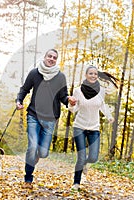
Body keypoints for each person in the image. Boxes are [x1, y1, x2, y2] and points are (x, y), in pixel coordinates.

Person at [16, 49, 76, 189]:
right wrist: (19, 100)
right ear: (44, 57)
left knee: (43, 153)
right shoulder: (34, 73)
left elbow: (63, 96)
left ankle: (35, 157)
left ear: (56, 60)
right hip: (33, 115)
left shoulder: (60, 77)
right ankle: (28, 178)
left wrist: (69, 100)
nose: (51, 59)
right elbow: (24, 89)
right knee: (32, 146)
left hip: (50, 119)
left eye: (54, 57)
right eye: (49, 56)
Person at [68, 65, 117, 190]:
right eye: (90, 73)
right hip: (79, 126)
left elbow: (102, 105)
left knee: (93, 157)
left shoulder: (101, 90)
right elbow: (73, 109)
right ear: (86, 75)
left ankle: (85, 163)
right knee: (81, 155)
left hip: (94, 128)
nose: (93, 76)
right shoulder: (78, 91)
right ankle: (76, 183)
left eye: (95, 74)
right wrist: (71, 104)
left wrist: (109, 116)